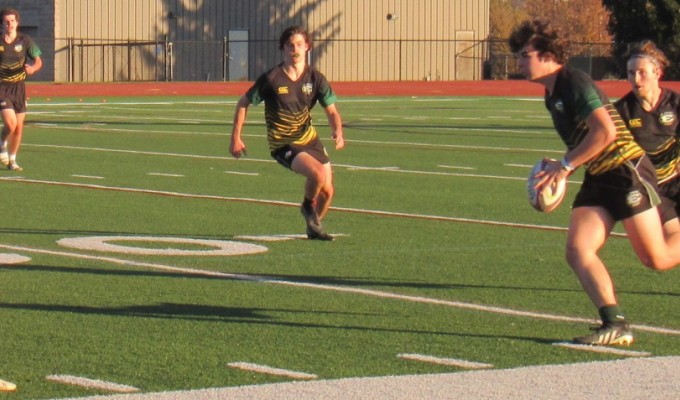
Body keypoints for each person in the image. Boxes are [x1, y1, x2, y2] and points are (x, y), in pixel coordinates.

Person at [508, 20, 680, 346]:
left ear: (547, 55)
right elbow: (586, 140)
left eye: (524, 54)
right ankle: (614, 323)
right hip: (599, 175)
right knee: (578, 250)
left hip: (625, 172)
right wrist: (562, 167)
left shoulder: (574, 82)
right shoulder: (552, 93)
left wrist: (565, 165)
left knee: (655, 259)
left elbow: (606, 132)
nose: (518, 61)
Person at [228, 26, 345, 240]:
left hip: (310, 138)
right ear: (283, 48)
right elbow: (243, 103)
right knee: (317, 174)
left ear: (307, 47)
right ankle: (307, 207)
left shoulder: (316, 78)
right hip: (283, 143)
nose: (295, 49)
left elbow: (332, 111)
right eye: (290, 45)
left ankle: (313, 227)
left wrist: (337, 130)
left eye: (300, 44)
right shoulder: (272, 79)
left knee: (328, 192)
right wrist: (236, 137)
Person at [615, 40, 680, 236]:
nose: (636, 78)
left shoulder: (675, 103)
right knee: (674, 235)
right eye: (630, 73)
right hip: (652, 189)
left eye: (642, 72)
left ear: (657, 73)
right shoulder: (622, 111)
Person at [0, 8, 42, 171]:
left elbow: (38, 61)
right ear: (2, 23)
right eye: (6, 21)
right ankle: (2, 143)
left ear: (17, 22)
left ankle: (12, 160)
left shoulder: (25, 40)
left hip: (19, 88)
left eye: (12, 21)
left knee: (18, 126)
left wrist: (33, 69)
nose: (10, 24)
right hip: (2, 87)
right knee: (10, 124)